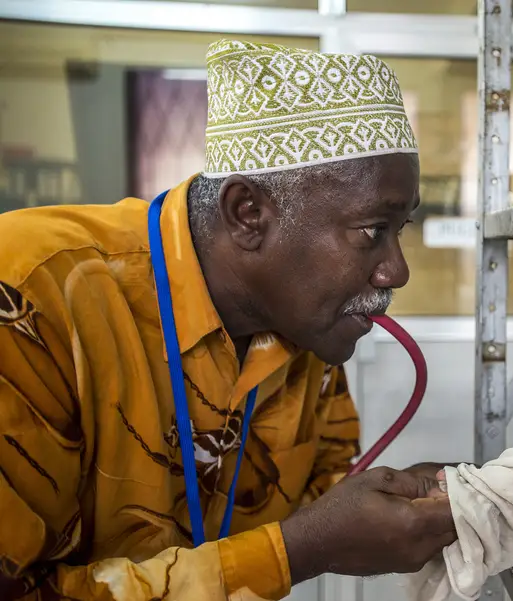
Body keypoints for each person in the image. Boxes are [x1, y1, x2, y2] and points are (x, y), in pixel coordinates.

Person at [0, 39, 458, 600]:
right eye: (370, 231)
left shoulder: (305, 331)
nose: (396, 271)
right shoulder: (31, 294)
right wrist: (299, 551)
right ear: (248, 215)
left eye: (400, 229)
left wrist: (409, 500)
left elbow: (320, 495)